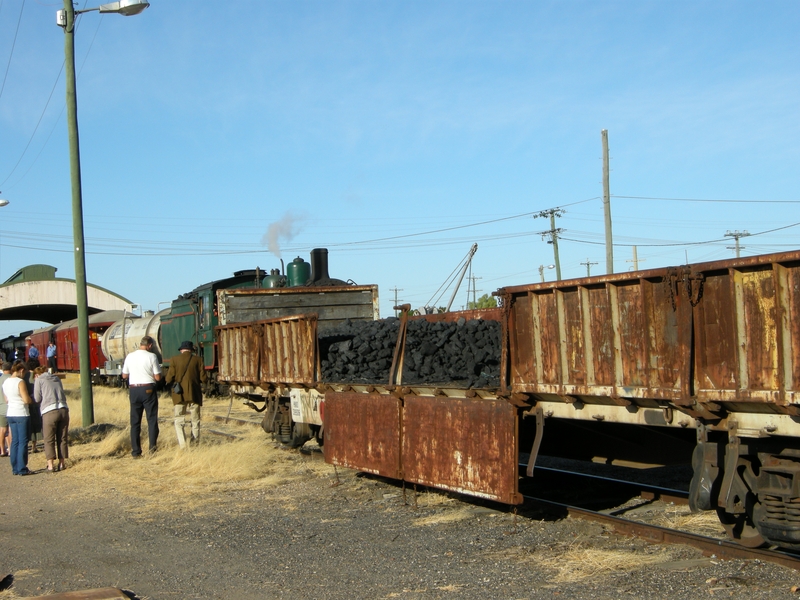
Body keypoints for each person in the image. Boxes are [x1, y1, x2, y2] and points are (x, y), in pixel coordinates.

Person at [121, 336, 162, 458]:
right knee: (151, 420)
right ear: (149, 345)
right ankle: (152, 449)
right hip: (148, 389)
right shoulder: (152, 356)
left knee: (135, 422)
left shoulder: (130, 356)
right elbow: (158, 377)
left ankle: (136, 451)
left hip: (134, 389)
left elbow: (124, 375)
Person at [165, 341, 208, 449]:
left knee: (179, 419)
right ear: (191, 350)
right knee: (195, 420)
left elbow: (169, 378)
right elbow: (203, 378)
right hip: (194, 394)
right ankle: (195, 444)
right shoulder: (198, 360)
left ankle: (183, 445)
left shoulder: (174, 359)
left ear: (181, 350)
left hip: (179, 394)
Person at [33, 367, 69, 472]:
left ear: (36, 375)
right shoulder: (56, 379)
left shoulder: (39, 380)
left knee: (49, 439)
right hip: (63, 408)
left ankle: (50, 465)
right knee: (62, 438)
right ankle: (62, 463)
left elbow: (37, 398)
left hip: (49, 410)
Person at [3, 361, 34, 475]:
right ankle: (22, 467)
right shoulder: (20, 382)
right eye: (24, 373)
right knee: (23, 441)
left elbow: (6, 399)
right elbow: (26, 400)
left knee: (15, 441)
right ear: (21, 370)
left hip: (10, 413)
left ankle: (15, 467)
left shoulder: (6, 382)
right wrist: (31, 399)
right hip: (21, 413)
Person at [0, 362, 11, 456]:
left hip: (1, 407)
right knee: (10, 429)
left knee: (2, 429)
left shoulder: (0, 379)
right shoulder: (12, 379)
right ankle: (10, 449)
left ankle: (2, 450)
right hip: (11, 407)